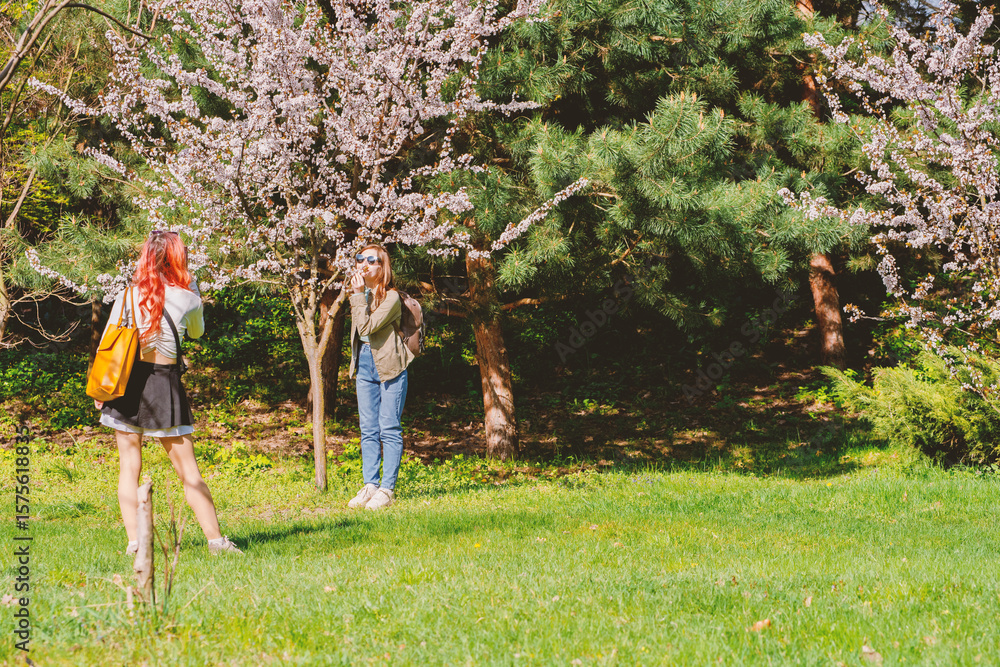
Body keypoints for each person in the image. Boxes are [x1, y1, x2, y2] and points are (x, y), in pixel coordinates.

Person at [95, 231, 241, 555]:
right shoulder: (188, 297)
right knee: (189, 471)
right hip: (164, 384)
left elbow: (108, 342)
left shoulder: (128, 294)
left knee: (128, 467)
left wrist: (103, 389)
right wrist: (194, 292)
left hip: (127, 384)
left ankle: (135, 543)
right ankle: (216, 541)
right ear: (178, 258)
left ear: (147, 256)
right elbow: (198, 333)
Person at [347, 244, 415, 510]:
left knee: (389, 428)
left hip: (390, 366)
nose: (364, 263)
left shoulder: (392, 298)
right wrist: (358, 293)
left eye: (371, 260)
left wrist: (356, 296)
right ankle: (370, 485)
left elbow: (366, 326)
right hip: (364, 363)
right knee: (368, 429)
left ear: (382, 268)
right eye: (359, 258)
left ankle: (387, 489)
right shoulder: (360, 292)